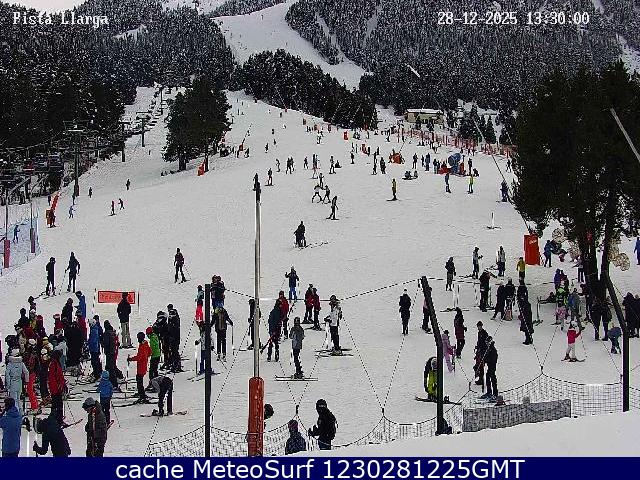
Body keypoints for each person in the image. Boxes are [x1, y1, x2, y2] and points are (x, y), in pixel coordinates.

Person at [128, 332, 152, 403]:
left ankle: (142, 396)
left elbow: (139, 357)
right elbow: (150, 352)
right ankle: (141, 393)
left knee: (139, 381)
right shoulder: (145, 344)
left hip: (141, 366)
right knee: (139, 380)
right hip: (143, 365)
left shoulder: (142, 346)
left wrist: (131, 359)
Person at [5, 348, 28, 414]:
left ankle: (16, 412)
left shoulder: (10, 364)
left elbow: (7, 375)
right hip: (19, 382)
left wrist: (8, 385)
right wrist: (27, 381)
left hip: (13, 382)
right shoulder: (21, 363)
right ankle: (21, 412)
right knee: (18, 398)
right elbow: (26, 372)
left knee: (13, 399)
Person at [48, 349, 66, 426]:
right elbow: (52, 378)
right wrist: (58, 387)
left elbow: (60, 376)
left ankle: (56, 419)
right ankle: (58, 420)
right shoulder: (53, 364)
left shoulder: (56, 363)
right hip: (56, 389)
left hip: (57, 388)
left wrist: (63, 384)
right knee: (58, 405)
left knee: (56, 405)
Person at [474, 321, 488, 388]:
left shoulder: (484, 333)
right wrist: (477, 346)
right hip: (479, 351)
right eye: (478, 326)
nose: (479, 327)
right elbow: (479, 341)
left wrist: (483, 348)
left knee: (481, 366)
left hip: (483, 351)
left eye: (479, 326)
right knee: (478, 366)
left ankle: (481, 380)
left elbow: (486, 342)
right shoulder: (479, 333)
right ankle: (480, 378)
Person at [88, 316, 103, 380]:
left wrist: (89, 344)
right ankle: (98, 372)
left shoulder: (94, 330)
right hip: (96, 348)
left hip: (94, 349)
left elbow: (93, 341)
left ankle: (96, 374)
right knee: (96, 360)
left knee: (94, 362)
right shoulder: (95, 329)